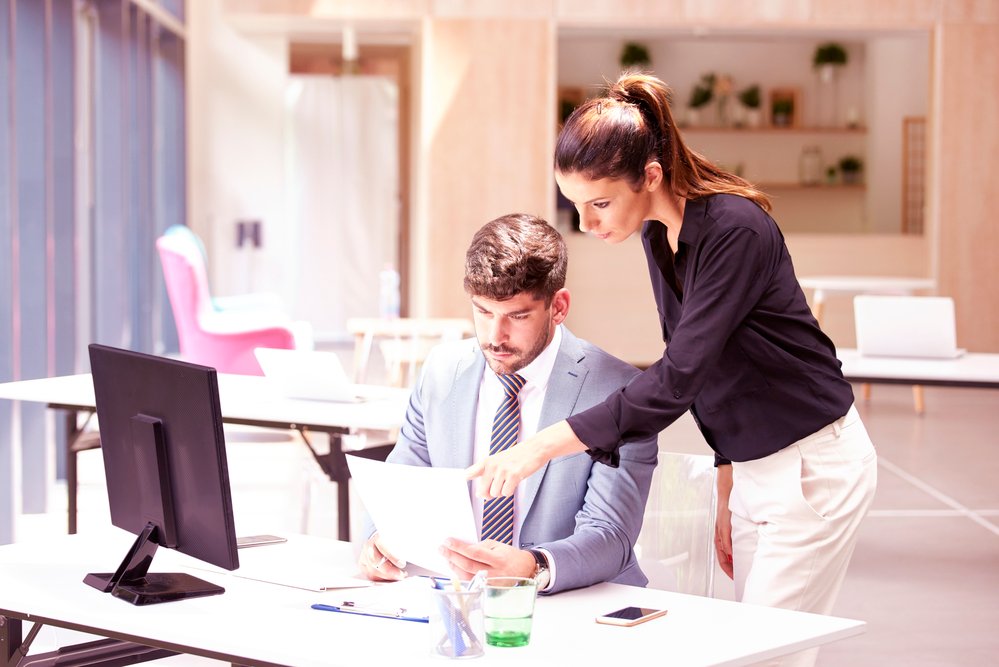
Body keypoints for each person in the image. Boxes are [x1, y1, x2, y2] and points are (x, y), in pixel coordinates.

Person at [468, 74, 877, 665]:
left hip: (811, 466)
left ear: (651, 176)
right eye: (577, 206)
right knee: (756, 649)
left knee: (767, 655)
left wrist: (541, 446)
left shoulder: (735, 230)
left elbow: (678, 377)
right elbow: (704, 367)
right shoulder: (659, 235)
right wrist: (728, 474)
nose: (588, 224)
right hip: (760, 465)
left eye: (600, 204)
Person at [358, 213, 659, 594]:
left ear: (559, 307)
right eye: (483, 312)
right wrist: (378, 542)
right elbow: (400, 485)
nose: (495, 336)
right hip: (453, 600)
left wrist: (532, 567)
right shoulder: (441, 371)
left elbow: (611, 535)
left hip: (577, 606)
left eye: (517, 316)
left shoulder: (618, 390)